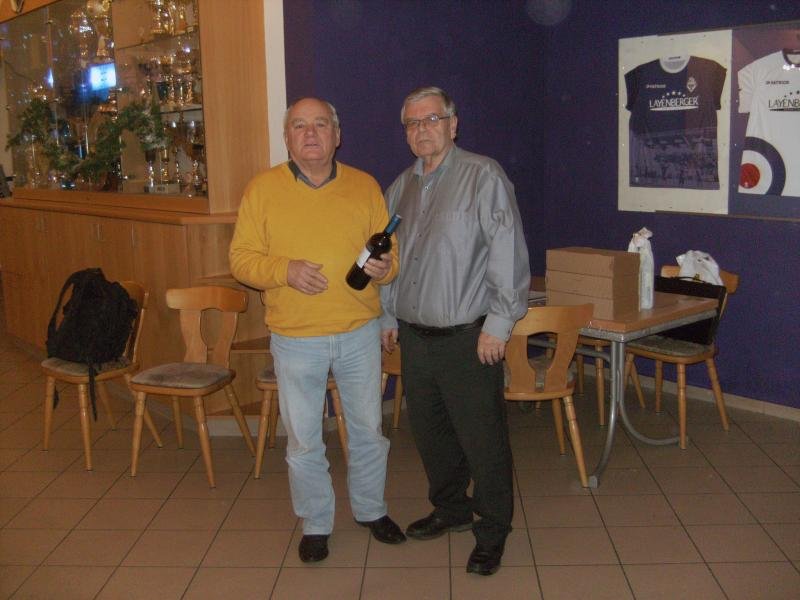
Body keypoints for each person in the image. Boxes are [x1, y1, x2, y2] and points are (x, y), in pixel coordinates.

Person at [230, 97, 406, 563]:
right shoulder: (262, 189)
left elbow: (390, 257)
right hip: (295, 337)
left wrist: (385, 268)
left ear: (337, 135)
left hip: (358, 333)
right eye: (300, 126)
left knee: (368, 430)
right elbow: (241, 260)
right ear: (287, 137)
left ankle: (371, 510)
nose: (310, 133)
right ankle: (316, 522)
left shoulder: (365, 185)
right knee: (305, 438)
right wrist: (284, 271)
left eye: (321, 124)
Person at [381, 87, 530, 576]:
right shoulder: (399, 187)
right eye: (412, 123)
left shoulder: (483, 176)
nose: (421, 129)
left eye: (431, 119)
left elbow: (507, 252)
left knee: (483, 441)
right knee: (431, 435)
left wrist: (499, 325)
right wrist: (386, 315)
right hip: (414, 337)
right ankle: (451, 509)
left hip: (470, 337)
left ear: (452, 124)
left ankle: (493, 530)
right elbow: (388, 257)